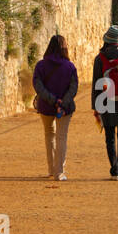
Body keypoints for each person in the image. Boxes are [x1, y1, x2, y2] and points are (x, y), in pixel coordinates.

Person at [91, 24, 118, 180]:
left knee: (109, 137)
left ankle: (114, 171)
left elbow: (96, 83)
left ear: (107, 39)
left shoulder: (100, 59)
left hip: (105, 102)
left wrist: (95, 106)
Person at [32, 34, 78, 182]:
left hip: (46, 106)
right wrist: (62, 102)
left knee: (49, 134)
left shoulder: (41, 65)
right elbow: (73, 87)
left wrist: (52, 100)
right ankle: (59, 172)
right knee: (61, 137)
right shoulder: (70, 67)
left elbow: (38, 86)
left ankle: (51, 169)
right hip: (65, 108)